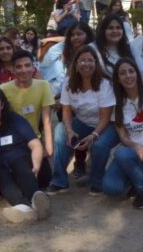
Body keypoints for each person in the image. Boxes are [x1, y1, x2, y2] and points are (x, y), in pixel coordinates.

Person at [101, 58, 143, 209]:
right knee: (111, 188)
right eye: (123, 73)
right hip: (130, 154)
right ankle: (135, 177)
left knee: (122, 154)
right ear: (118, 79)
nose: (128, 76)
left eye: (131, 71)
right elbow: (123, 136)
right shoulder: (117, 104)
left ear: (138, 74)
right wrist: (135, 145)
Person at [49, 46, 115, 194]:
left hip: (106, 125)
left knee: (100, 144)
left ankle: (96, 181)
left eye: (90, 60)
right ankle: (59, 181)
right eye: (82, 61)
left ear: (96, 64)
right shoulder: (68, 82)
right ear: (76, 64)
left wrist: (94, 136)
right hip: (83, 122)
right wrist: (69, 129)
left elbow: (105, 118)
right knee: (60, 130)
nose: (86, 64)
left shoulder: (105, 84)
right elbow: (66, 110)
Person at [0, 88, 51, 223]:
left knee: (19, 162)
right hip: (2, 175)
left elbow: (35, 144)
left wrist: (36, 165)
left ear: (2, 105)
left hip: (27, 168)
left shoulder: (15, 120)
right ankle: (22, 207)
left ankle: (36, 199)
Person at [0, 50, 55, 165]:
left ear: (33, 67)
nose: (23, 70)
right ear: (13, 70)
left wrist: (49, 148)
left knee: (45, 176)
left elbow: (47, 121)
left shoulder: (43, 86)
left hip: (34, 138)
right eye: (19, 67)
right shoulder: (4, 89)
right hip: (11, 141)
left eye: (27, 65)